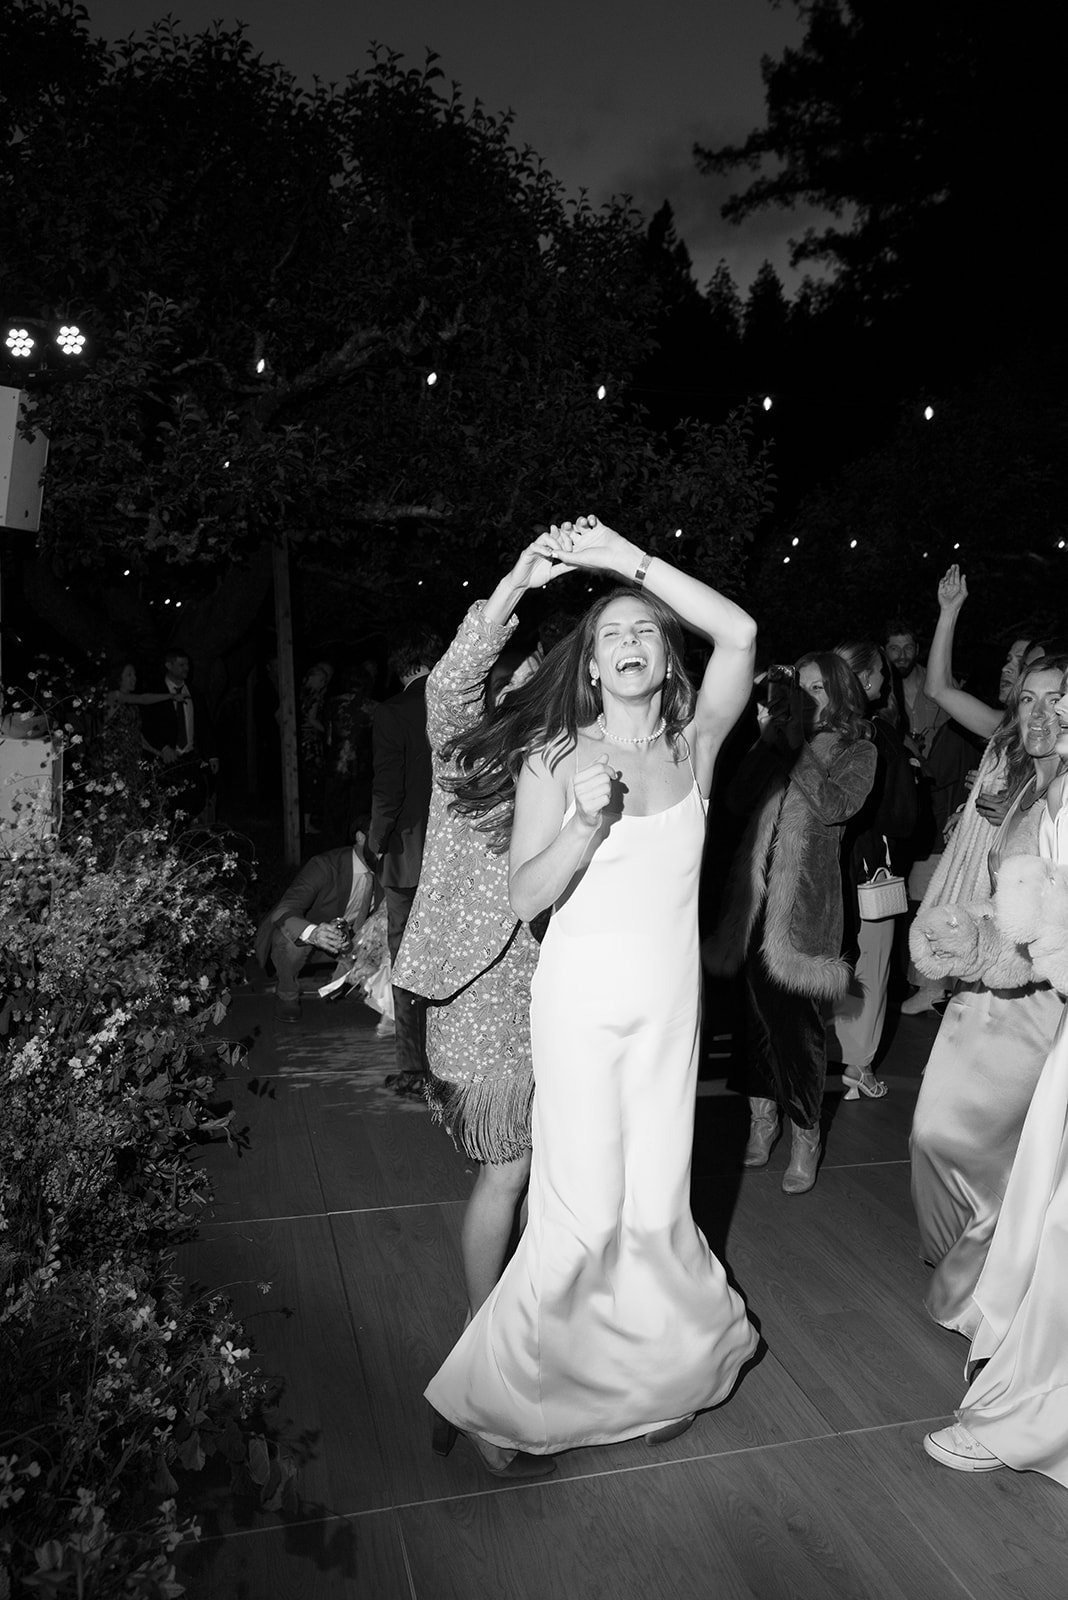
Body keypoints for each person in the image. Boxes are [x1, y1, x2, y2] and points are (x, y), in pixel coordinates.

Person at [425, 515, 759, 1477]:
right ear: (589, 663)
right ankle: (503, 1399)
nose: (628, 642)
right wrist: (580, 825)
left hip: (670, 1013)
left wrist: (629, 564)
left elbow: (738, 634)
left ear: (665, 659)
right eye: (611, 631)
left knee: (656, 1205)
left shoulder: (697, 748)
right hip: (576, 1008)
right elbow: (527, 897)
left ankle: (653, 1379)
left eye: (645, 630)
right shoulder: (553, 756)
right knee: (577, 1208)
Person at [393, 535, 575, 1322]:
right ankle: (484, 1336)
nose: (534, 681)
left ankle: (542, 1319)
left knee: (562, 1173)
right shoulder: (466, 748)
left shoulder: (580, 758)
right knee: (509, 1167)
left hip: (565, 987)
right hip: (478, 988)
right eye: (526, 669)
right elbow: (452, 678)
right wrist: (514, 586)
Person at [924, 681, 1068, 1477]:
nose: (1051, 713)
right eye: (1041, 699)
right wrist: (975, 944)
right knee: (1043, 1202)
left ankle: (1037, 1409)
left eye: (1064, 699)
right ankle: (1015, 1344)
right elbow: (1034, 928)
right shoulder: (1042, 799)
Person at [705, 653, 876, 1193]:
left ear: (841, 692)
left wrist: (798, 747)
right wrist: (766, 743)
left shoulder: (859, 749)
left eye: (818, 688)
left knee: (796, 1030)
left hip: (803, 913)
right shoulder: (777, 744)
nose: (807, 698)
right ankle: (762, 1123)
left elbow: (833, 806)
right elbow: (733, 800)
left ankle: (806, 1134)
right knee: (753, 1023)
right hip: (752, 906)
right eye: (800, 689)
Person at [829, 641, 918, 1098]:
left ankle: (834, 1054)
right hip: (869, 870)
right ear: (864, 680)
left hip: (824, 870)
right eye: (880, 672)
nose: (886, 680)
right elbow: (902, 817)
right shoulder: (877, 736)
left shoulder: (816, 731)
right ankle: (858, 1066)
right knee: (872, 964)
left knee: (838, 964)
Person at [885, 613, 981, 1014]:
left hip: (936, 806)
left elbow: (954, 741)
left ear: (918, 649)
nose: (903, 654)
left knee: (930, 895)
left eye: (909, 647)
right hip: (897, 806)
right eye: (895, 647)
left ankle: (929, 985)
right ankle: (908, 979)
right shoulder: (882, 689)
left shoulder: (941, 686)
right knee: (900, 896)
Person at [368, 632, 442, 1096]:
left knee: (410, 961)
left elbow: (387, 789)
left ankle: (416, 1068)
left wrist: (375, 842)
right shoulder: (465, 702)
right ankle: (454, 1061)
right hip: (459, 854)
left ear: (400, 669)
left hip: (409, 857)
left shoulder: (392, 711)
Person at [254, 822, 378, 1022]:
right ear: (361, 837)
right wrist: (312, 933)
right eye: (380, 836)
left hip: (352, 938)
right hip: (312, 937)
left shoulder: (391, 868)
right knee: (289, 939)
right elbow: (283, 910)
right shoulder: (324, 865)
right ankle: (287, 994)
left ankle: (352, 984)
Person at [140, 649, 219, 827]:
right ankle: (168, 842)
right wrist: (163, 747)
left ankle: (185, 838)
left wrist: (212, 754)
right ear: (169, 666)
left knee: (195, 798)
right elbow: (148, 725)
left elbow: (204, 726)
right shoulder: (156, 691)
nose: (186, 669)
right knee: (167, 805)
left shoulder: (194, 693)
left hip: (190, 757)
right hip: (166, 759)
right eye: (181, 665)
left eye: (187, 665)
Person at [299, 661, 333, 836]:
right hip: (310, 743)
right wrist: (327, 730)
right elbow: (312, 719)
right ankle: (306, 823)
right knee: (312, 780)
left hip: (304, 741)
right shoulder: (313, 697)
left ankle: (306, 821)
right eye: (321, 680)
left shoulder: (302, 695)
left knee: (309, 781)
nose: (323, 683)